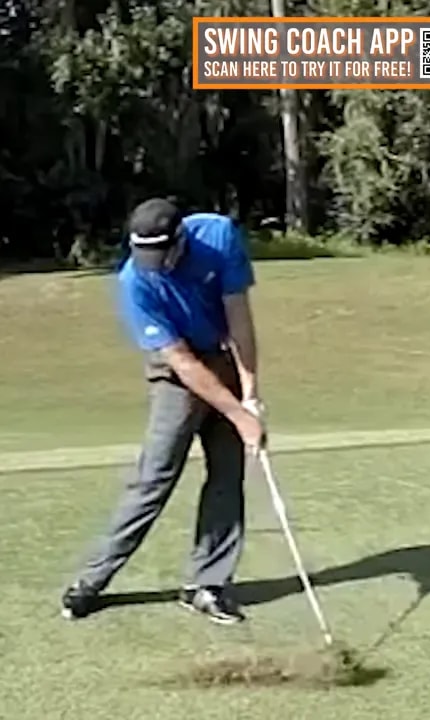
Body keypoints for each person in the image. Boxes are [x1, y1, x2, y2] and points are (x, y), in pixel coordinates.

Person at [60, 197, 267, 625]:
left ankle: (207, 585)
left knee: (228, 477)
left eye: (162, 254)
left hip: (224, 358)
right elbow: (183, 364)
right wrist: (239, 415)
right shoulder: (135, 282)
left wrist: (250, 396)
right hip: (177, 375)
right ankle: (90, 582)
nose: (154, 264)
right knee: (153, 478)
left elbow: (240, 319)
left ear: (181, 241)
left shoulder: (218, 236)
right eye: (145, 255)